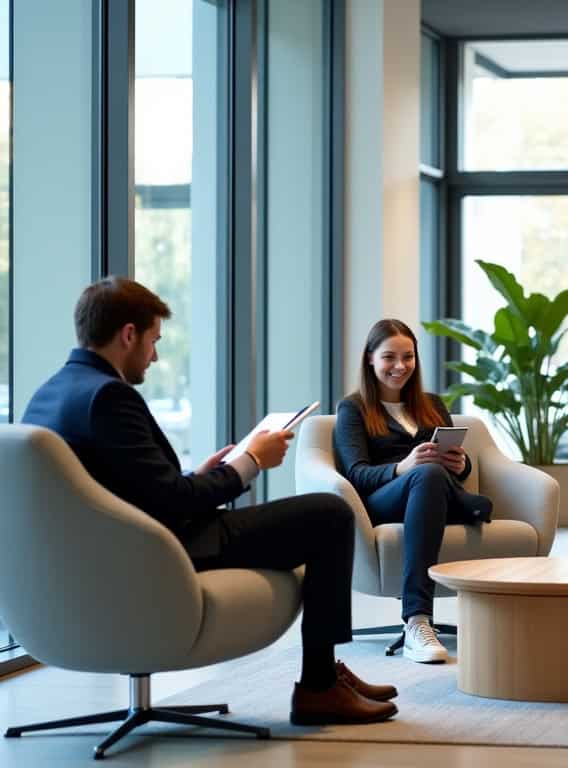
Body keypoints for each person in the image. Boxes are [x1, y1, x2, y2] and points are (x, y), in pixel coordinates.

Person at [22, 277, 396, 726]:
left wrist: (200, 475)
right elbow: (173, 504)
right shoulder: (108, 396)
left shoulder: (49, 394)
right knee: (328, 514)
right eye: (154, 341)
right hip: (164, 547)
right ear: (128, 334)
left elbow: (122, 488)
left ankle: (327, 673)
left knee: (319, 517)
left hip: (103, 552)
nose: (154, 356)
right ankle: (319, 686)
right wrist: (252, 462)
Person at [333, 319, 493, 664]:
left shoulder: (432, 404)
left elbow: (458, 465)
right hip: (384, 499)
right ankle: (417, 620)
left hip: (432, 494)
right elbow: (357, 474)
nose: (400, 366)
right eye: (389, 357)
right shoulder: (353, 408)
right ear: (370, 358)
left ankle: (459, 500)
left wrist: (461, 465)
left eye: (408, 357)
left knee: (432, 474)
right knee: (426, 474)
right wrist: (402, 467)